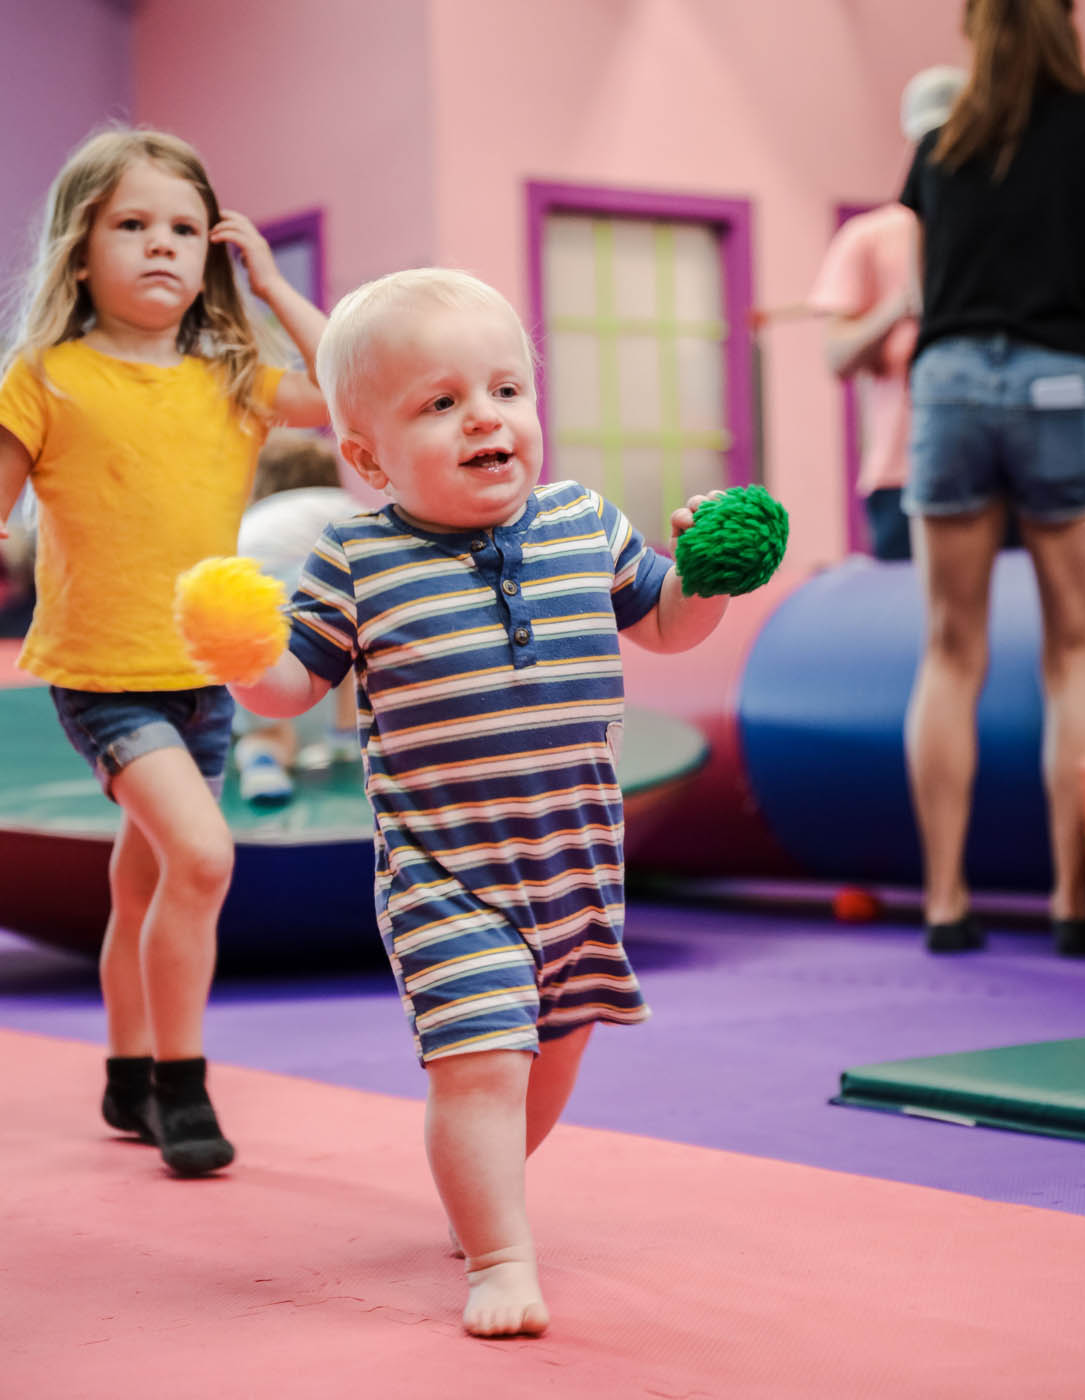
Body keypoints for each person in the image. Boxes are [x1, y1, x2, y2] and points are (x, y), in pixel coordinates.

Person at [231, 268, 731, 1337]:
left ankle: (482, 1196)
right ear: (365, 457)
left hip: (577, 866)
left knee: (555, 1050)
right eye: (441, 402)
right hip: (444, 872)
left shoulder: (584, 523)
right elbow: (290, 684)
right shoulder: (357, 559)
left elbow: (669, 624)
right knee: (482, 1062)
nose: (486, 419)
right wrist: (239, 654)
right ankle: (499, 1252)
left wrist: (708, 571)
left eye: (506, 389)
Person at [0, 127, 330, 1172]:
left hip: (208, 675)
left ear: (212, 254)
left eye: (186, 229)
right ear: (80, 248)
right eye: (132, 225)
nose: (161, 247)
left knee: (143, 888)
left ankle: (123, 1065)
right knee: (201, 854)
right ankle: (180, 1087)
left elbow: (354, 395)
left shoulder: (232, 379)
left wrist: (274, 289)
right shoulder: (43, 378)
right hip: (103, 676)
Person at [899, 0, 1085, 955]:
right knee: (1074, 651)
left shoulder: (944, 138)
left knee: (952, 651)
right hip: (1066, 375)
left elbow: (921, 288)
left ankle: (946, 901)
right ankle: (1080, 900)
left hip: (950, 383)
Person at [808, 66, 965, 560]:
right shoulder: (870, 238)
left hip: (993, 469)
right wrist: (900, 307)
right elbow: (837, 357)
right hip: (903, 473)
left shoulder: (1002, 238)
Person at [232, 430, 366, 806]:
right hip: (331, 594)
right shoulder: (345, 505)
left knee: (264, 706)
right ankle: (345, 734)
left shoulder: (257, 518)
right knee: (351, 646)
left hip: (258, 595)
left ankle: (264, 756)